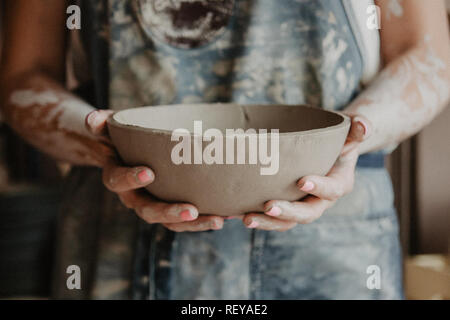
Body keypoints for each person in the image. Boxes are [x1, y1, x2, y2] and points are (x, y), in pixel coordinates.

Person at [1, 0, 449, 299]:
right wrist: (100, 141)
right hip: (121, 221)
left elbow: (427, 57)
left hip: (331, 240)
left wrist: (352, 137)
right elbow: (24, 77)